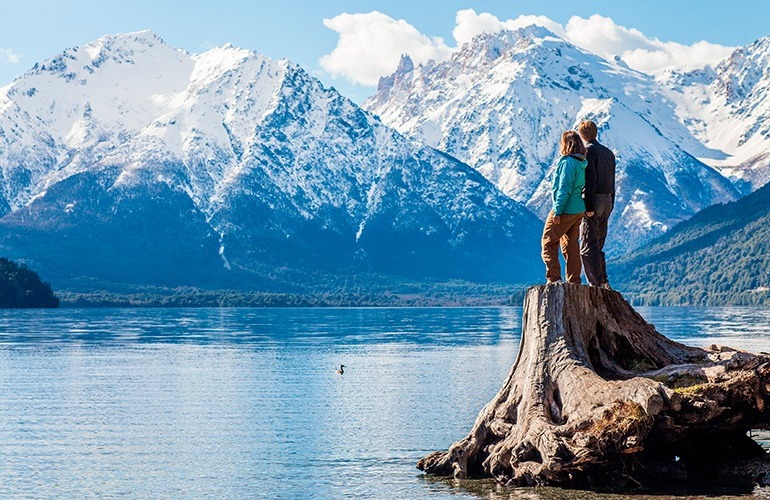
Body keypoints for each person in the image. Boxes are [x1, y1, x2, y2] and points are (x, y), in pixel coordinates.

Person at [541, 130, 588, 284]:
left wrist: (557, 211)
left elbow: (564, 188)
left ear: (566, 144)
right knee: (571, 245)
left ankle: (554, 278)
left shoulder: (568, 162)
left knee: (548, 241)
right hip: (578, 210)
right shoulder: (582, 162)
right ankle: (574, 280)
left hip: (565, 209)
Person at [577, 120, 616, 289]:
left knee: (587, 244)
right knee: (598, 243)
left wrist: (588, 205)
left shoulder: (588, 151)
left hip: (594, 200)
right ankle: (604, 280)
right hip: (607, 199)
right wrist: (611, 202)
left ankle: (595, 284)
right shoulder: (608, 153)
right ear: (596, 133)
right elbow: (613, 180)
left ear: (581, 135)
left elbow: (590, 178)